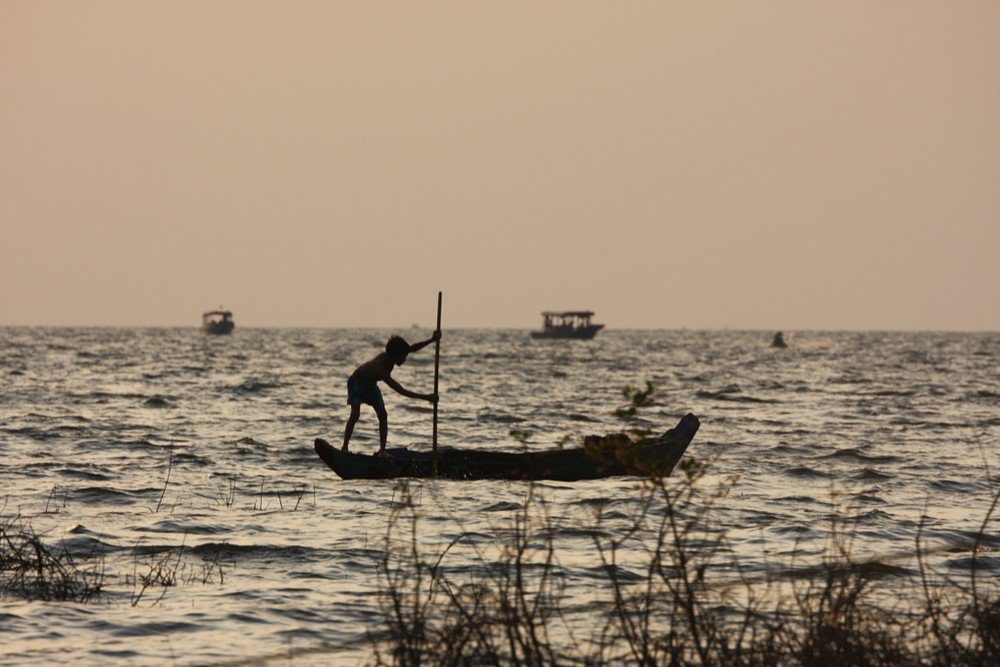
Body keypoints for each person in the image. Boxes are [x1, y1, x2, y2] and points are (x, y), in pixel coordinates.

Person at [342, 331, 441, 455]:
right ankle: (345, 447)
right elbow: (401, 390)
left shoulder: (392, 356)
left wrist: (432, 340)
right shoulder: (381, 369)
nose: (405, 359)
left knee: (383, 415)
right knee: (355, 414)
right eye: (403, 357)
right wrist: (426, 397)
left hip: (370, 385)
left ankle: (382, 451)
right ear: (395, 355)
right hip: (356, 383)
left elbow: (412, 348)